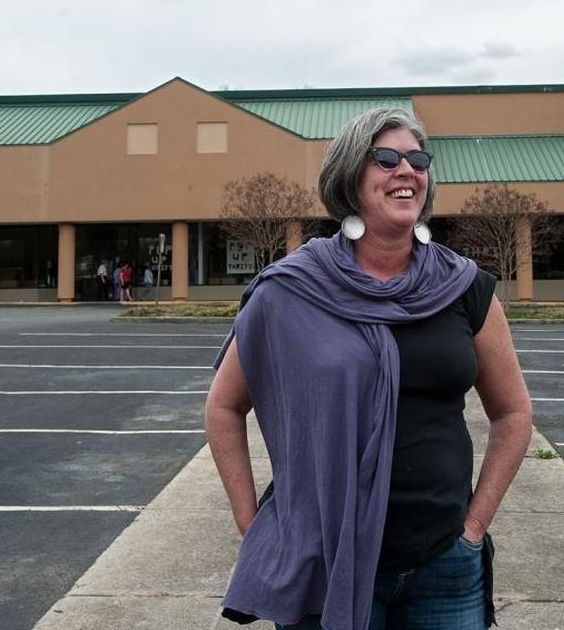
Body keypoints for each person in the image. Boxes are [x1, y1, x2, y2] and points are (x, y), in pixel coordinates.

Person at [205, 108, 532, 630]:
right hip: (323, 559)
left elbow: (513, 413)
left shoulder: (466, 288)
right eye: (386, 159)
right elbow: (224, 405)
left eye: (418, 160)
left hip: (444, 563)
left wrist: (473, 528)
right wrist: (252, 525)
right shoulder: (290, 290)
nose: (407, 171)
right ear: (348, 178)